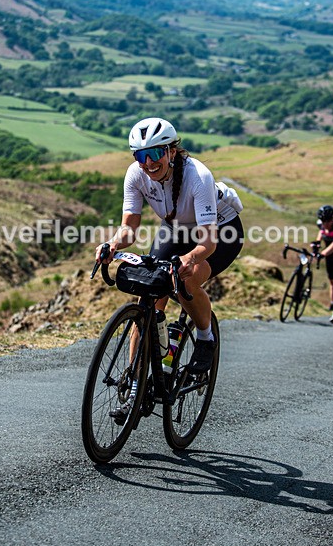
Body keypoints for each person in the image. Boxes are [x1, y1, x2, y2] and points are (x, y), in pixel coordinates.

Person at [95, 116, 244, 374]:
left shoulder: (198, 176)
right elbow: (128, 229)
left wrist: (190, 259)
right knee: (149, 291)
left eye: (154, 153)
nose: (149, 163)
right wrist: (112, 244)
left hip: (220, 231)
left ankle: (206, 339)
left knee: (185, 280)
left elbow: (208, 242)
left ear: (170, 151)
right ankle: (134, 382)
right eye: (141, 156)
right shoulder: (135, 175)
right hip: (175, 229)